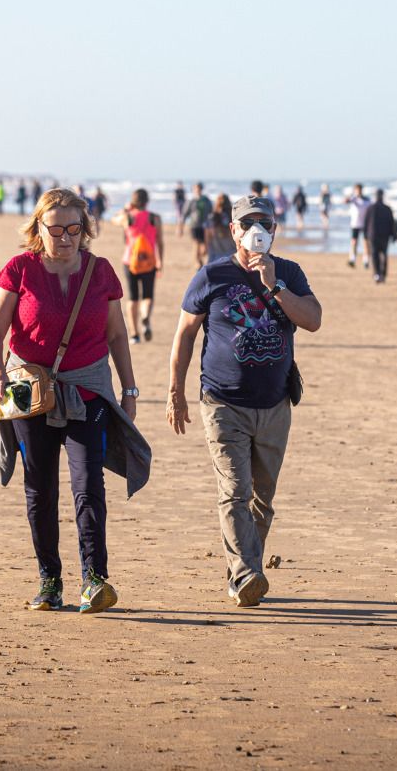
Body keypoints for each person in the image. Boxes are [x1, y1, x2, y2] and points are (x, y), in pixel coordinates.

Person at [0, 188, 149, 614]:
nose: (65, 237)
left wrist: (128, 390)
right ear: (39, 227)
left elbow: (116, 335)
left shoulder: (102, 272)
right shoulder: (19, 269)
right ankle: (49, 581)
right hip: (32, 393)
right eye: (56, 228)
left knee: (88, 483)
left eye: (74, 229)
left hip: (87, 390)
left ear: (85, 229)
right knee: (39, 488)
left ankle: (94, 579)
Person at [167, 194, 323, 608]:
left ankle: (242, 570)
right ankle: (245, 574)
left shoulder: (289, 272)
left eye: (266, 223)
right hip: (222, 402)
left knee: (262, 500)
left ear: (274, 230)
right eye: (248, 223)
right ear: (232, 230)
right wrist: (175, 392)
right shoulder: (212, 274)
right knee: (235, 490)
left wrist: (276, 286)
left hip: (274, 405)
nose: (258, 230)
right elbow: (184, 334)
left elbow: (313, 320)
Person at [115, 189, 165, 343]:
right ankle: (145, 316)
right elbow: (160, 241)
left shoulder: (127, 217)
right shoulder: (154, 218)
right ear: (147, 201)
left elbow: (114, 219)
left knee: (132, 298)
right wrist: (160, 261)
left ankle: (134, 335)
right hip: (149, 261)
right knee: (148, 295)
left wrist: (125, 208)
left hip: (130, 261)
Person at [362, 188, 395, 284]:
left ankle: (377, 274)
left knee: (375, 255)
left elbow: (366, 223)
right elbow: (392, 223)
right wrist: (393, 235)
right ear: (382, 196)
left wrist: (365, 235)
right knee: (384, 254)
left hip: (373, 235)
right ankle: (383, 275)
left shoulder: (370, 208)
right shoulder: (387, 208)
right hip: (384, 235)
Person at [186, 183, 214, 266]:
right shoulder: (191, 201)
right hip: (194, 226)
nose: (197, 190)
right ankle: (198, 262)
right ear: (193, 190)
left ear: (201, 189)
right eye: (195, 188)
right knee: (196, 243)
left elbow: (211, 212)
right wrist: (180, 226)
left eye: (198, 188)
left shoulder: (206, 200)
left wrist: (212, 224)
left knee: (205, 248)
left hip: (204, 226)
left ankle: (200, 259)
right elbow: (185, 213)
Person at [204, 194, 237, 261]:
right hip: (231, 253)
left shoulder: (211, 217)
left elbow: (207, 236)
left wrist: (206, 248)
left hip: (215, 252)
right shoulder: (233, 218)